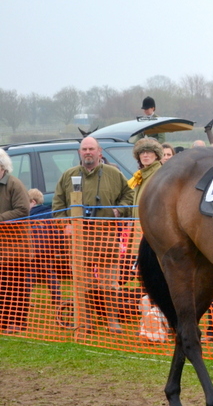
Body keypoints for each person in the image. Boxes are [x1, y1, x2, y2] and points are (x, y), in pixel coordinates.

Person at [51, 137, 134, 334]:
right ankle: (86, 320)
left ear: (99, 152)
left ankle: (112, 321)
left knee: (110, 283)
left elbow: (129, 196)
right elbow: (57, 205)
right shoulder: (68, 176)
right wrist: (65, 225)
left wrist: (119, 210)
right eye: (84, 149)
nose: (88, 152)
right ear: (79, 152)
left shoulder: (114, 174)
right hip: (80, 239)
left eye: (91, 149)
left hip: (107, 236)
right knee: (84, 283)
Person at [0, 148, 31, 334]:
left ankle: (17, 321)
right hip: (2, 249)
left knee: (16, 286)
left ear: (2, 166)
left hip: (16, 248)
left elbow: (23, 210)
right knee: (3, 287)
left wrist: (1, 219)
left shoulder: (14, 184)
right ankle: (4, 321)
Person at [28, 188, 63, 306]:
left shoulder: (29, 216)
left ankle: (25, 298)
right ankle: (57, 298)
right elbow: (56, 231)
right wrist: (58, 246)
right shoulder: (50, 214)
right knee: (49, 273)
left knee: (30, 274)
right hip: (48, 249)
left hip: (32, 250)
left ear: (33, 202)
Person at [128, 138, 163, 219]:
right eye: (142, 152)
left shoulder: (160, 174)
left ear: (156, 155)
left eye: (149, 151)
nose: (145, 155)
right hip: (137, 224)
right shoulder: (139, 176)